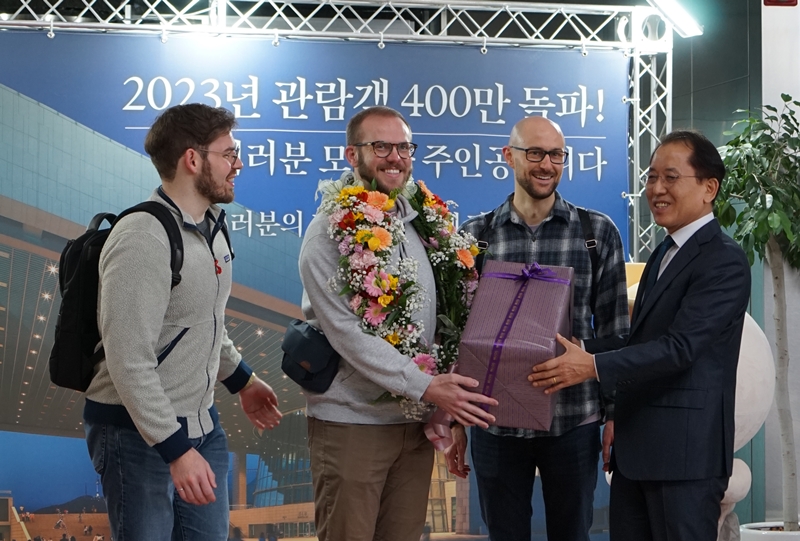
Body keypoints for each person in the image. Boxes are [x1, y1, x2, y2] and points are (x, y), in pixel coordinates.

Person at [530, 130, 750, 541]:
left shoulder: (724, 260)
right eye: (650, 177)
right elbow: (642, 340)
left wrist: (592, 366)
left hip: (685, 460)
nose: (656, 189)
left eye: (670, 177)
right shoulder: (664, 253)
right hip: (636, 455)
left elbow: (680, 349)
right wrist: (584, 346)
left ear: (709, 188)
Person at [82, 103, 283, 541]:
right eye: (229, 154)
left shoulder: (212, 228)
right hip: (135, 436)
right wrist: (175, 451)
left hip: (201, 426)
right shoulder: (142, 237)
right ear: (193, 159)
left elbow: (204, 322)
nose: (238, 164)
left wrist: (243, 381)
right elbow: (128, 359)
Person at [298, 105, 498, 541]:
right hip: (352, 423)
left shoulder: (422, 224)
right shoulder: (328, 232)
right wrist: (426, 386)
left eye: (404, 146)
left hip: (412, 423)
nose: (395, 157)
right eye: (381, 146)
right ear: (353, 156)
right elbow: (347, 332)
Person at [445, 116, 630, 541]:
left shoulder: (596, 232)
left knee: (573, 534)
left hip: (575, 418)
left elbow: (618, 330)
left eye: (556, 155)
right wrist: (457, 420)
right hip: (494, 419)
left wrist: (617, 413)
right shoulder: (476, 236)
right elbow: (459, 336)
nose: (547, 164)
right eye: (535, 153)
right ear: (508, 157)